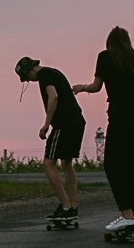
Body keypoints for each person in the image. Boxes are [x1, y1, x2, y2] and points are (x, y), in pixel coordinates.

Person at [72, 27, 134, 233]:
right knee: (129, 168)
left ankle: (126, 215)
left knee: (112, 165)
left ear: (110, 42)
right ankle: (133, 217)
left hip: (120, 114)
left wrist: (81, 87)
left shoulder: (104, 57)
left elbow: (96, 86)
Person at [15, 56, 85, 222]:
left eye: (27, 77)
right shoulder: (54, 72)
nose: (29, 81)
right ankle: (73, 207)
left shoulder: (44, 75)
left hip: (64, 123)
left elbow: (53, 97)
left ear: (30, 70)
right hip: (77, 120)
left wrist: (46, 124)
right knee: (66, 163)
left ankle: (65, 205)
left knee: (48, 163)